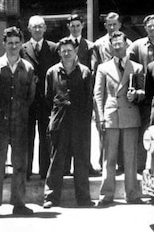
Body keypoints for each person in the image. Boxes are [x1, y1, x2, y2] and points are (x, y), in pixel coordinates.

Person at [0, 26, 36, 218]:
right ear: (4, 44)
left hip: (20, 123)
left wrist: (18, 112)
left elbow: (30, 96)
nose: (13, 46)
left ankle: (19, 203)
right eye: (10, 43)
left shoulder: (27, 69)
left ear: (22, 44)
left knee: (20, 163)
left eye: (17, 43)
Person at [93, 31, 145, 206]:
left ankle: (132, 194)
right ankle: (106, 195)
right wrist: (100, 118)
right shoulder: (103, 68)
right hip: (111, 114)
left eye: (120, 43)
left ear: (126, 44)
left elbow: (143, 92)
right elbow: (98, 95)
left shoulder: (136, 67)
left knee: (130, 157)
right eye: (114, 44)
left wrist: (136, 95)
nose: (117, 47)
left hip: (130, 115)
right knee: (109, 157)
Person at [42, 37, 94, 209]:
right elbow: (48, 97)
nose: (66, 53)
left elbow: (89, 99)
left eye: (69, 50)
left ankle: (84, 199)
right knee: (56, 161)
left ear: (76, 51)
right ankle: (51, 197)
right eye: (63, 50)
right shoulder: (52, 72)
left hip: (80, 124)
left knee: (81, 161)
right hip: (59, 122)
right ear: (59, 52)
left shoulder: (85, 72)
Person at [58, 13, 98, 176]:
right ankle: (66, 166)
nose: (75, 28)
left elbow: (93, 68)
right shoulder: (63, 45)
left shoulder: (89, 46)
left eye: (77, 25)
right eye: (72, 26)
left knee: (83, 133)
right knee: (65, 132)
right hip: (66, 93)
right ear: (68, 27)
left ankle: (85, 165)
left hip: (82, 94)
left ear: (82, 26)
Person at [21, 15, 59, 179]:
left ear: (45, 28)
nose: (37, 29)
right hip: (28, 99)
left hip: (46, 100)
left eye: (40, 26)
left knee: (46, 136)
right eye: (34, 26)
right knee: (27, 136)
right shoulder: (22, 49)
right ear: (29, 29)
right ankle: (27, 171)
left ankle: (45, 172)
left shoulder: (53, 47)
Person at [91, 12, 127, 174]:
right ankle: (105, 163)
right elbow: (95, 69)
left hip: (123, 91)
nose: (112, 27)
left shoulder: (128, 43)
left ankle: (122, 163)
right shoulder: (98, 45)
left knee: (123, 128)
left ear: (120, 24)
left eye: (115, 24)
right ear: (105, 25)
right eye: (109, 24)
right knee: (105, 129)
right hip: (107, 91)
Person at [128, 14, 154, 170]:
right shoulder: (137, 46)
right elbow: (128, 67)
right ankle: (141, 167)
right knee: (143, 131)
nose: (153, 28)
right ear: (145, 28)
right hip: (144, 94)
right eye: (150, 26)